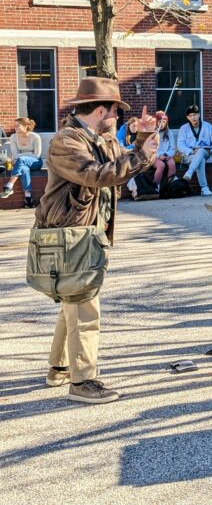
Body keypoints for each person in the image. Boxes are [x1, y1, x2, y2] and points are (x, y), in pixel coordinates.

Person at [36, 77, 158, 403]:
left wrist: (144, 136)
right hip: (69, 236)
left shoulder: (98, 137)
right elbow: (97, 174)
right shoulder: (67, 141)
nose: (118, 117)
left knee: (72, 304)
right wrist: (140, 152)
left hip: (85, 234)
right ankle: (83, 381)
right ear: (101, 110)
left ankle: (60, 368)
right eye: (116, 111)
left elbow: (125, 161)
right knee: (85, 308)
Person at [175, 104, 212, 196]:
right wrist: (192, 151)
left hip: (206, 153)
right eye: (190, 116)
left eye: (195, 115)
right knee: (200, 160)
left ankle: (190, 172)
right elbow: (180, 145)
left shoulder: (208, 126)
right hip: (189, 156)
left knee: (201, 152)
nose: (193, 117)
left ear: (199, 115)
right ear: (187, 118)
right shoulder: (184, 128)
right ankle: (204, 187)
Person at [2, 117, 43, 207]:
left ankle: (9, 185)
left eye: (18, 125)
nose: (15, 127)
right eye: (15, 126)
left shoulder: (35, 137)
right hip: (22, 163)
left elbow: (36, 155)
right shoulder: (13, 137)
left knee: (21, 159)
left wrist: (22, 156)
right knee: (24, 169)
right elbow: (15, 154)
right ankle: (28, 198)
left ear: (25, 126)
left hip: (36, 162)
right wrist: (28, 154)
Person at [116, 116, 142, 200]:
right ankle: (135, 191)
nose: (135, 128)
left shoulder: (139, 132)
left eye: (137, 126)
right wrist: (133, 146)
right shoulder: (122, 131)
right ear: (128, 125)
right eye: (133, 126)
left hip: (137, 156)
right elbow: (120, 148)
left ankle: (140, 190)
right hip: (125, 156)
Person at [152, 111, 176, 191]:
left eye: (164, 122)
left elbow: (172, 148)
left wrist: (168, 154)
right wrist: (159, 156)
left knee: (172, 164)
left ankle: (170, 184)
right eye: (160, 122)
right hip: (155, 156)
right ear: (156, 122)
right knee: (161, 165)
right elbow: (151, 149)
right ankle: (156, 185)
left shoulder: (169, 133)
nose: (162, 124)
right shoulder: (152, 133)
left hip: (166, 154)